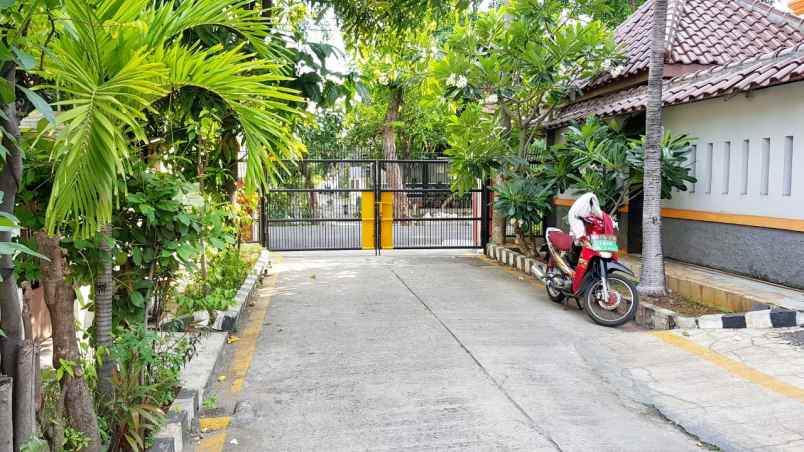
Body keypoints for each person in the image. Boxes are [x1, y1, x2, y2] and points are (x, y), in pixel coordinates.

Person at [566, 193, 604, 267]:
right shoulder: (578, 211)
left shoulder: (589, 200)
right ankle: (574, 262)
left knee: (583, 241)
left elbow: (597, 212)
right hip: (576, 221)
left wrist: (608, 219)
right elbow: (596, 212)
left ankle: (579, 262)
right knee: (580, 240)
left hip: (581, 222)